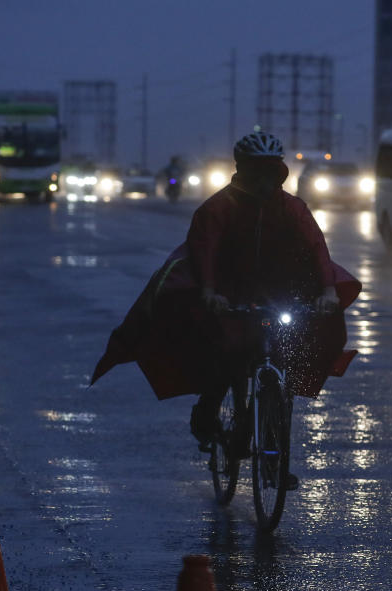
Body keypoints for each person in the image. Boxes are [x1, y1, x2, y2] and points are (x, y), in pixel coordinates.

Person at [90, 132, 361, 490]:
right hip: (229, 293)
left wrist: (327, 291)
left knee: (285, 360)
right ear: (244, 170)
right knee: (230, 357)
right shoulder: (217, 209)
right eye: (258, 171)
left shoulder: (292, 208)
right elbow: (206, 252)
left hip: (279, 292)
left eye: (271, 170)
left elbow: (317, 248)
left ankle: (276, 452)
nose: (265, 179)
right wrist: (210, 293)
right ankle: (207, 414)